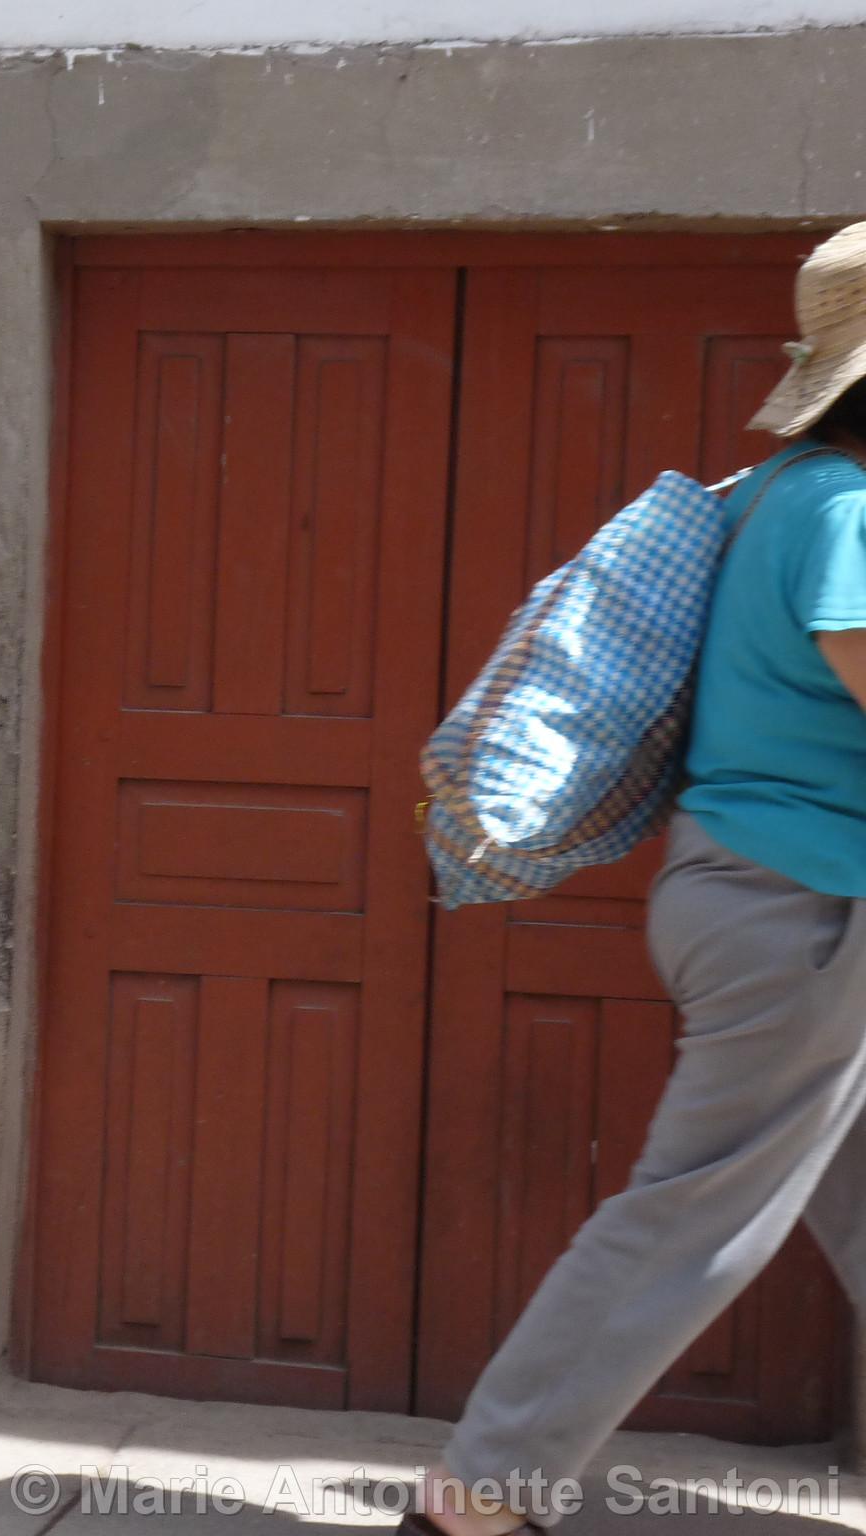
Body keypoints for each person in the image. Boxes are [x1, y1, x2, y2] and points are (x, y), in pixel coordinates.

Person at [408, 221, 866, 1535]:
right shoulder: (844, 509)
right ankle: (480, 1493)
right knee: (692, 1219)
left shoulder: (789, 493)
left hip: (772, 900)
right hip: (806, 912)